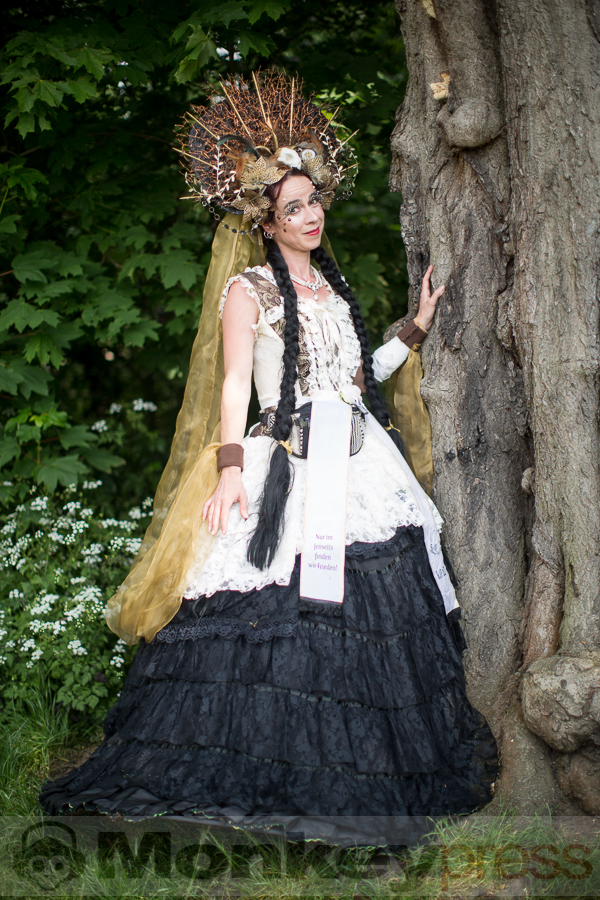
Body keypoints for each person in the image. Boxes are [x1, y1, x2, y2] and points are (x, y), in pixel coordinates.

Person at [40, 73, 497, 846]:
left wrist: (415, 327)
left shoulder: (330, 287)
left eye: (313, 200)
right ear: (265, 221)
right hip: (286, 459)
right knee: (277, 616)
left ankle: (366, 769)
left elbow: (353, 380)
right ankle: (269, 774)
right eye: (293, 208)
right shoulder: (248, 291)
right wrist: (225, 472)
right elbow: (229, 391)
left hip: (356, 461)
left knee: (365, 610)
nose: (311, 214)